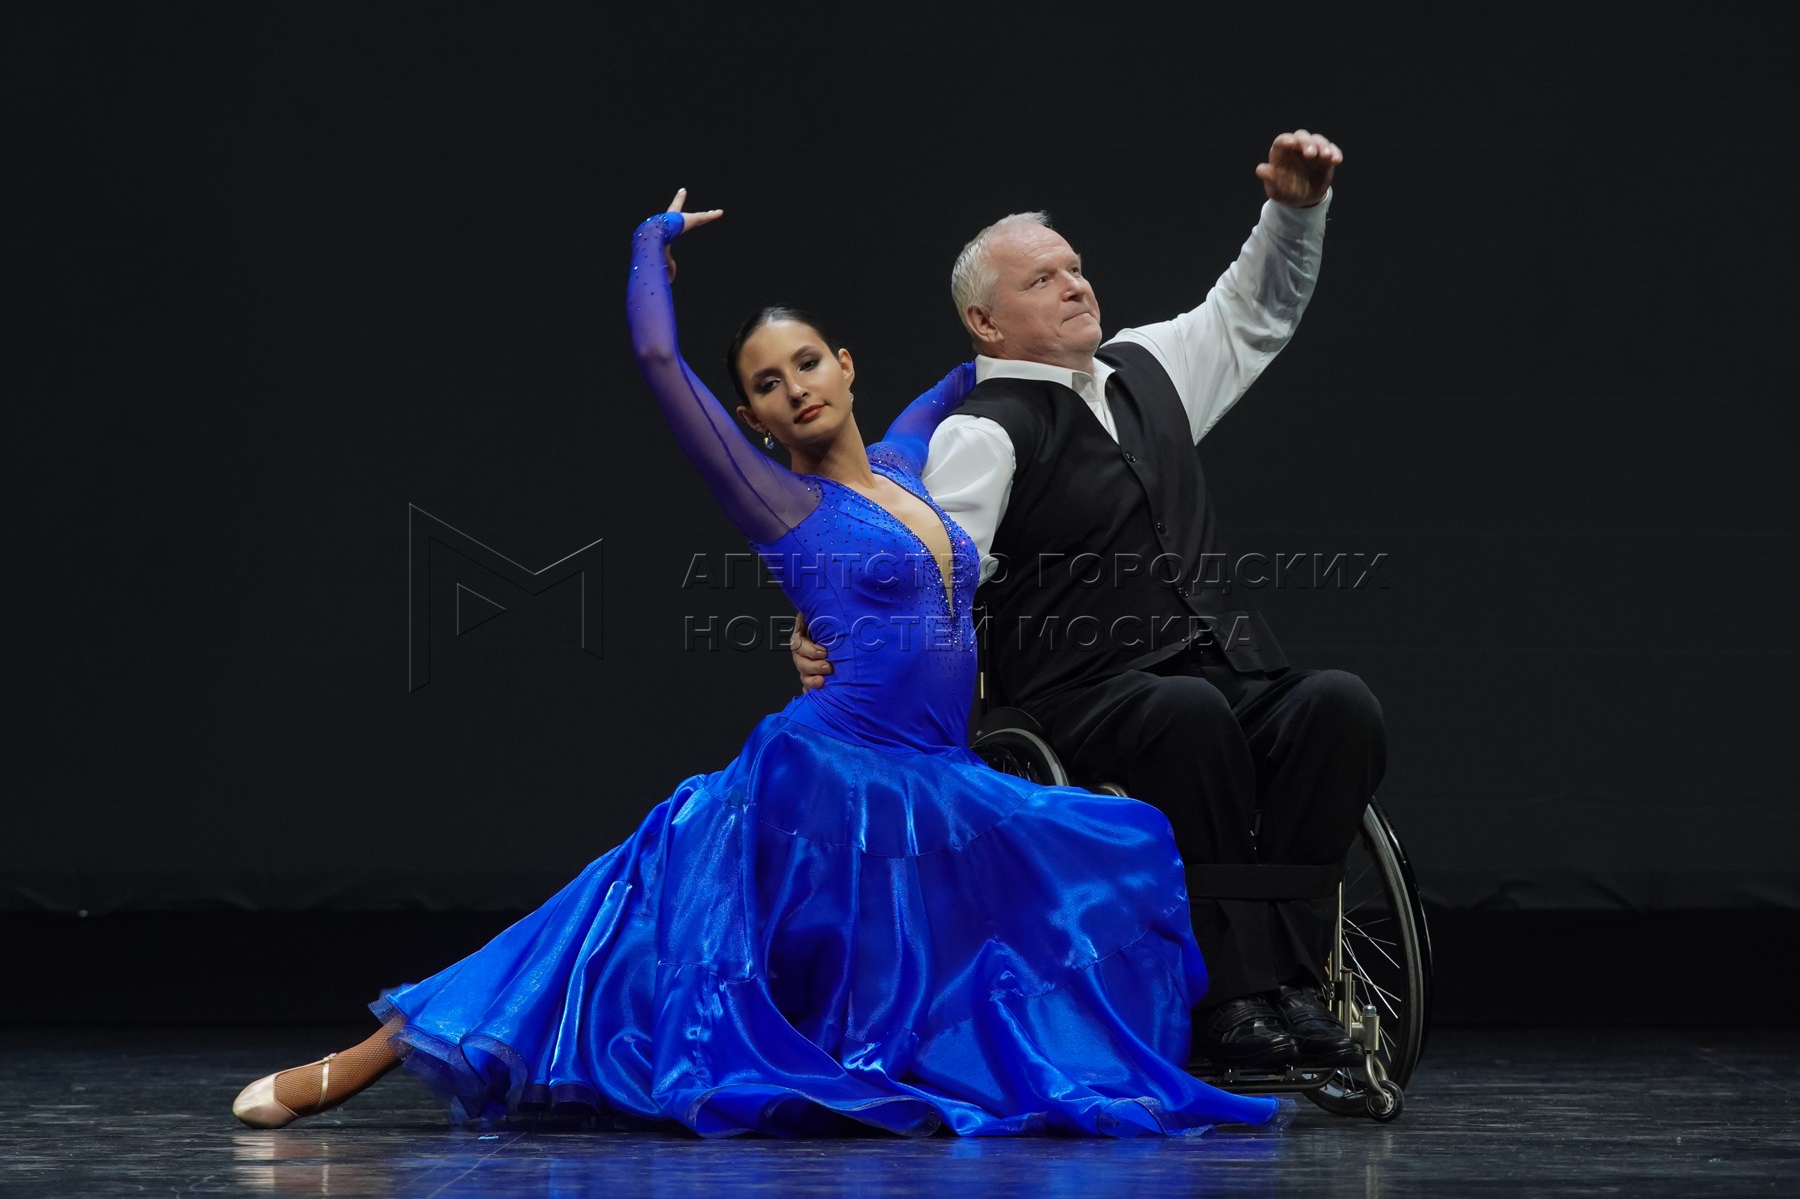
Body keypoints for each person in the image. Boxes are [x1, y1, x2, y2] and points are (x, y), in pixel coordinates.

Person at [229, 192, 1283, 1138]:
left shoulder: (914, 458)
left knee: (1118, 844)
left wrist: (1048, 286)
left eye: (808, 364)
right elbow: (658, 363)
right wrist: (650, 249)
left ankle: (1186, 1033)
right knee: (617, 913)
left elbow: (989, 359)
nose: (794, 390)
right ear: (752, 418)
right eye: (767, 385)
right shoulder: (779, 502)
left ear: (846, 366)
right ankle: (357, 1061)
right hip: (827, 769)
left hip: (937, 775)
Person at [791, 131, 1385, 1070]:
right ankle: (1227, 997)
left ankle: (1298, 979)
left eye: (1074, 268)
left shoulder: (1149, 368)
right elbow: (929, 579)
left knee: (1335, 707)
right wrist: (839, 638)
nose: (1075, 285)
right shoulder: (982, 435)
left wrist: (1295, 209)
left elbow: (1253, 310)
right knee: (1189, 718)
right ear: (986, 323)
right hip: (1079, 697)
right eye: (1043, 280)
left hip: (1215, 670)